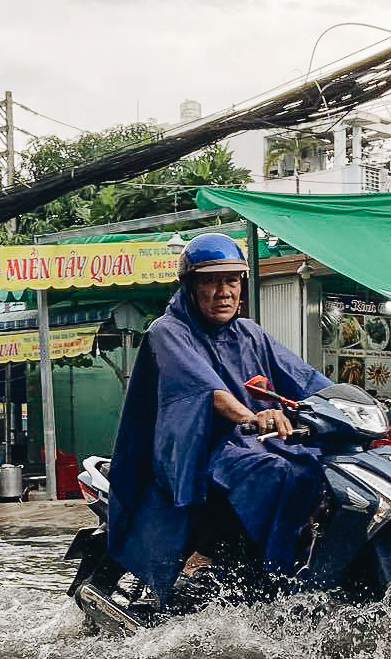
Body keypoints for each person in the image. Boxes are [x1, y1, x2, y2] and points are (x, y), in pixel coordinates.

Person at [106, 233, 331, 603]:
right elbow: (205, 390)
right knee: (271, 472)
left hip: (252, 443)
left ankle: (298, 565)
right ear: (191, 286)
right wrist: (252, 417)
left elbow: (307, 380)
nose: (223, 291)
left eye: (232, 280)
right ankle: (233, 566)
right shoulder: (168, 331)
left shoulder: (250, 333)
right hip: (194, 450)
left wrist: (352, 407)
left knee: (317, 465)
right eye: (210, 280)